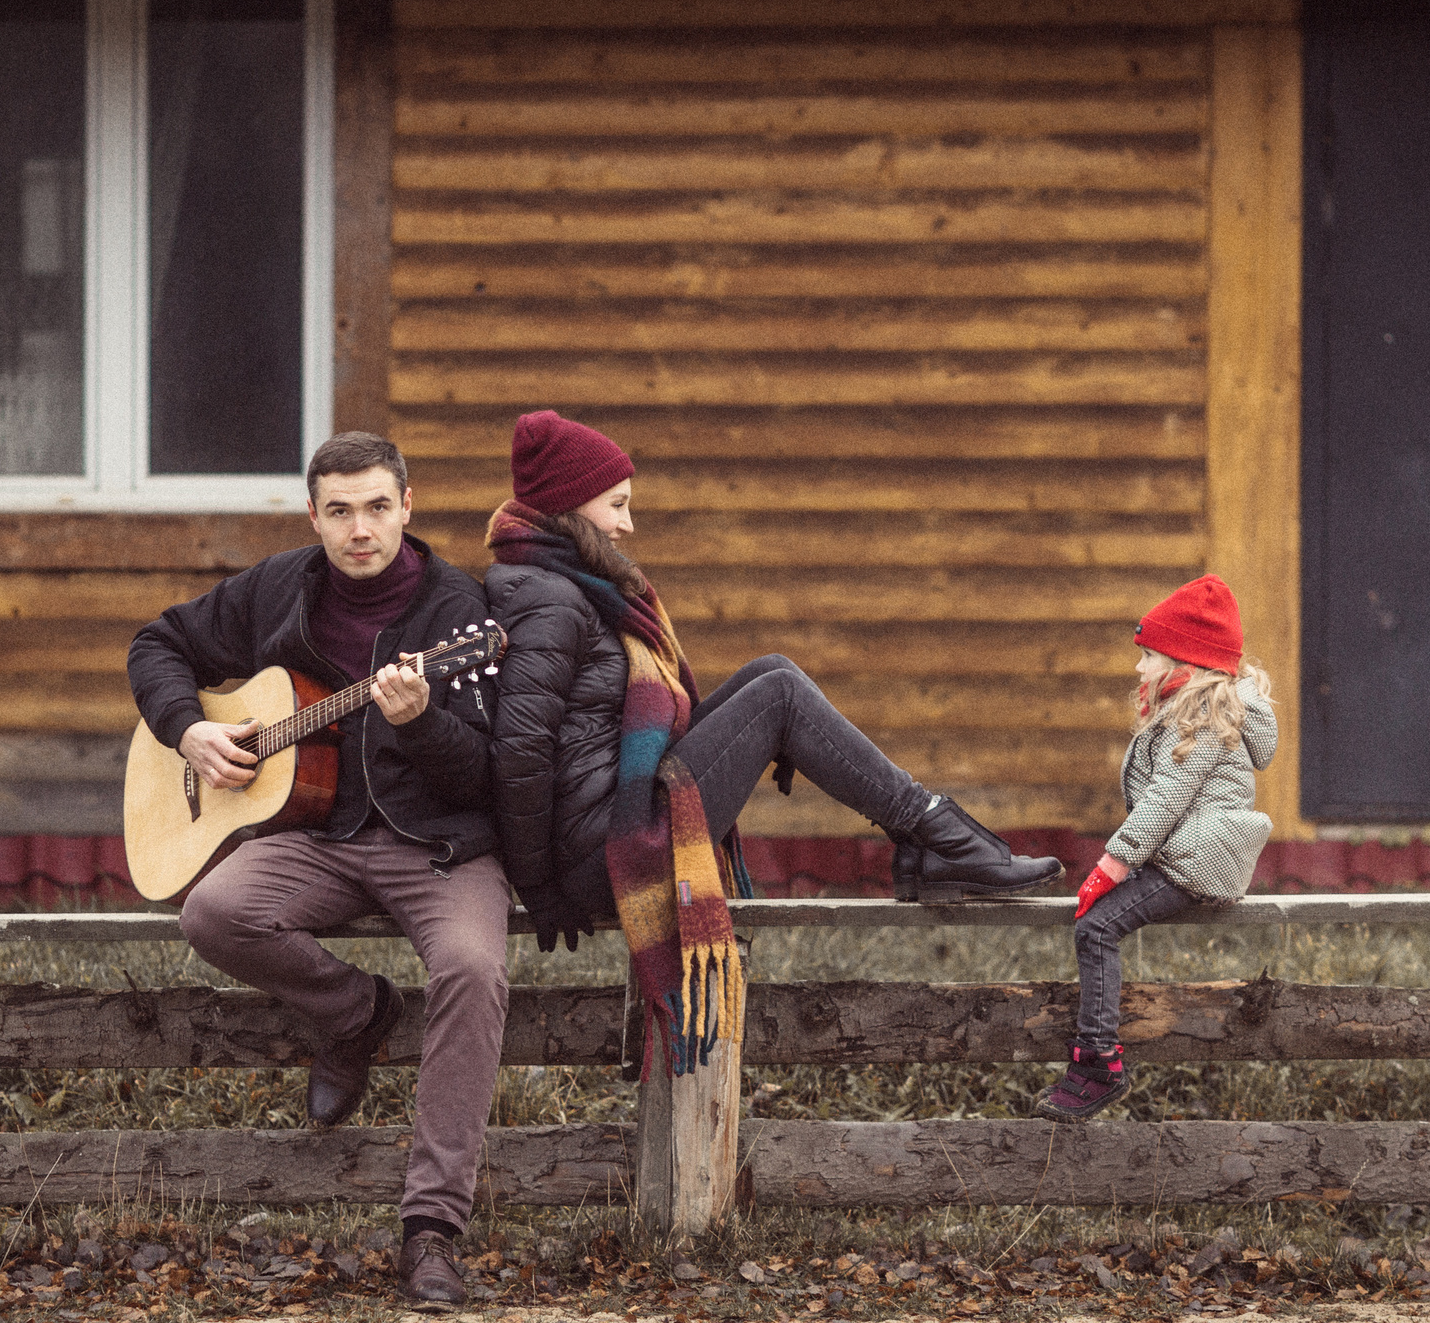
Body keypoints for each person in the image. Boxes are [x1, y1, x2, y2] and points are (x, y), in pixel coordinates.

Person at [484, 409, 1061, 991]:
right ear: (570, 504)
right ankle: (940, 836)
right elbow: (520, 750)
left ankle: (928, 841)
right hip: (605, 853)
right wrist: (538, 887)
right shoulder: (550, 598)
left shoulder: (560, 583)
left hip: (611, 820)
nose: (627, 525)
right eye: (617, 505)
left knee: (773, 671)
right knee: (779, 696)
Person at [127, 431, 501, 1308]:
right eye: (340, 511)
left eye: (378, 507)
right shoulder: (279, 587)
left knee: (474, 968)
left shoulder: (461, 616)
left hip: (437, 845)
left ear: (408, 506)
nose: (360, 528)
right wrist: (189, 727)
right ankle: (359, 1010)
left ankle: (431, 1229)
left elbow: (488, 772)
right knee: (213, 911)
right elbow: (157, 643)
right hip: (322, 835)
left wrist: (421, 723)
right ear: (314, 515)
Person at [1033, 574, 1279, 1122]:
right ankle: (1095, 1057)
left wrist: (1111, 866)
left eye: (1149, 655)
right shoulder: (1198, 710)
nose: (1140, 667)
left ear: (1181, 662)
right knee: (1098, 923)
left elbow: (1165, 800)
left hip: (1196, 858)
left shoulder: (1201, 716)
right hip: (1193, 854)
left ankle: (1097, 1062)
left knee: (1096, 926)